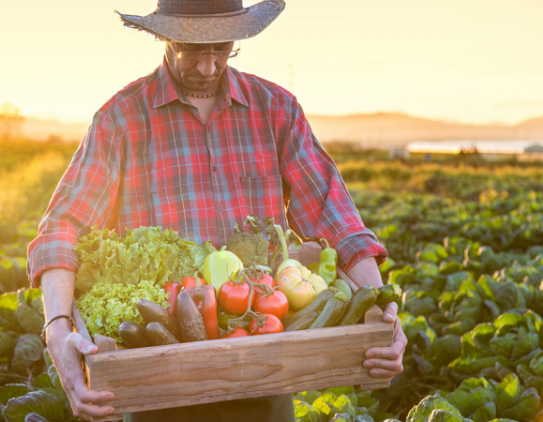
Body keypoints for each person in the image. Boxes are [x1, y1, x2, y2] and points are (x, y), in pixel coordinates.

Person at [27, 0, 407, 420]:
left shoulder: (276, 110)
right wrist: (58, 331)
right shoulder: (121, 118)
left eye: (222, 48)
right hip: (156, 378)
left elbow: (335, 218)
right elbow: (62, 230)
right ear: (163, 37)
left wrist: (382, 310)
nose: (208, 67)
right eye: (192, 48)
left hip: (266, 366)